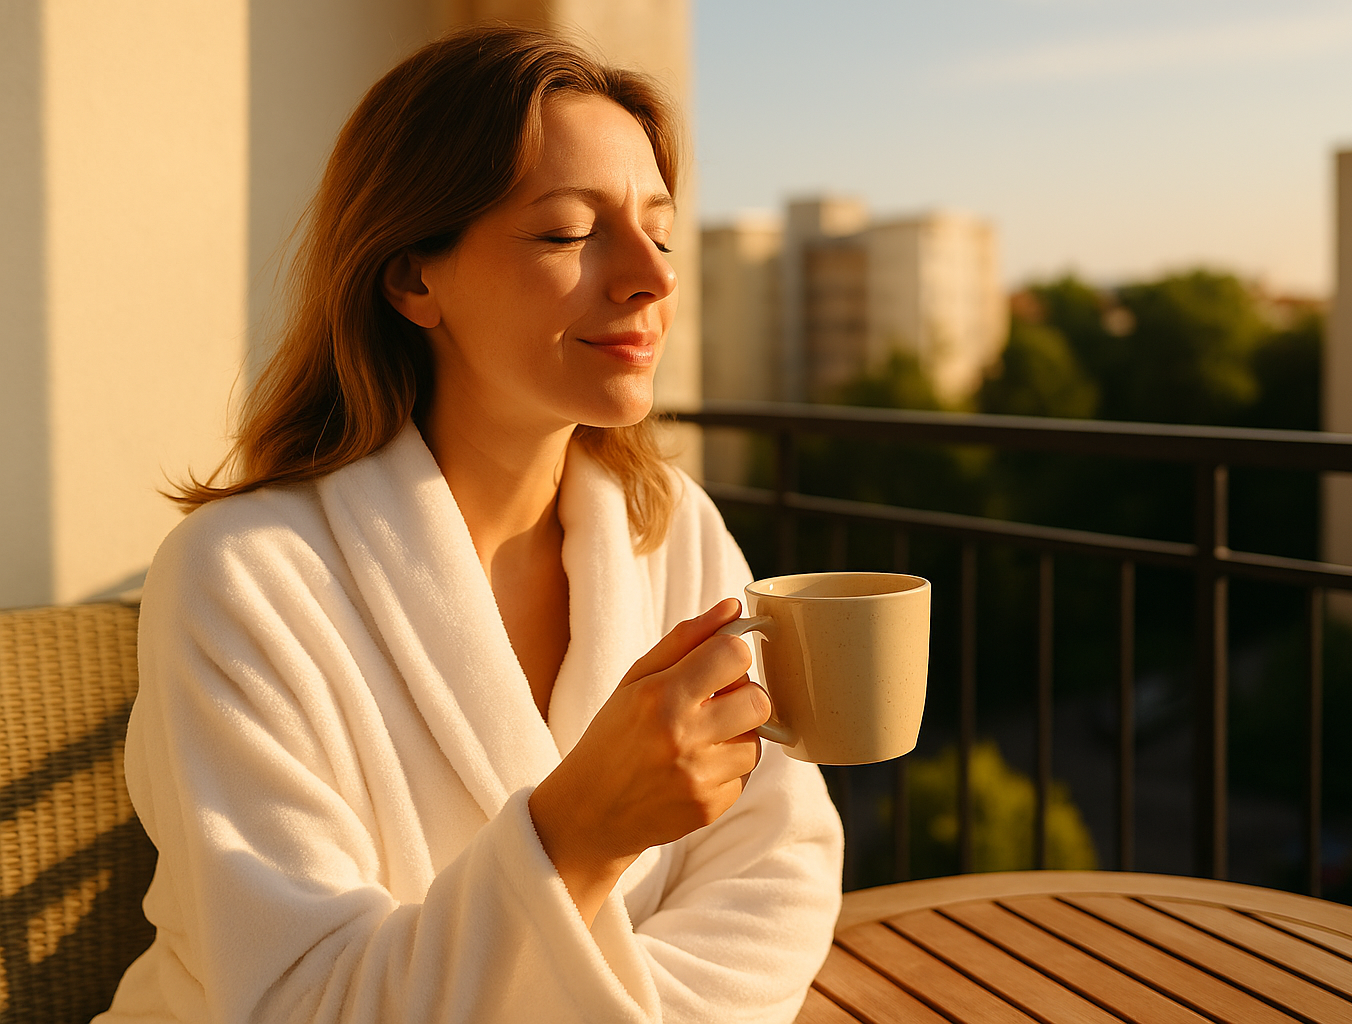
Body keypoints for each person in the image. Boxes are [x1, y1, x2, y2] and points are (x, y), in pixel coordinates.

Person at [98, 25, 843, 1024]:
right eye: (570, 233)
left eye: (659, 230)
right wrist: (572, 835)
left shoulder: (675, 532)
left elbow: (782, 859)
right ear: (413, 278)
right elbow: (298, 1001)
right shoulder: (245, 579)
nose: (653, 277)